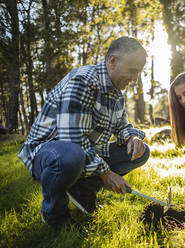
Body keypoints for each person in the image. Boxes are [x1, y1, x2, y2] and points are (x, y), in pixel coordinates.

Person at [18, 37, 150, 230]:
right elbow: (72, 139)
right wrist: (106, 173)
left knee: (141, 152)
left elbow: (122, 125)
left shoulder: (115, 93)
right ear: (112, 61)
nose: (134, 79)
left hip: (82, 154)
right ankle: (55, 215)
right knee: (72, 156)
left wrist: (133, 137)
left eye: (138, 72)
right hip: (50, 154)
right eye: (132, 71)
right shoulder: (82, 80)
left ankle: (82, 190)